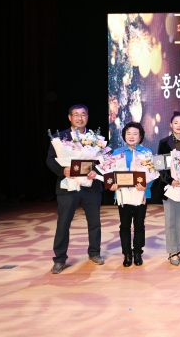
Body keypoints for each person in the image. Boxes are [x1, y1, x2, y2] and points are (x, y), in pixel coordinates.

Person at [46, 104, 104, 274]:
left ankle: (94, 253)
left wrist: (96, 171)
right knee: (63, 223)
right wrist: (62, 170)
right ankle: (59, 259)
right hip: (68, 186)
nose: (80, 118)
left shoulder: (96, 138)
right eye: (76, 115)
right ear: (69, 117)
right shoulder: (60, 138)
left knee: (94, 223)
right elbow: (50, 160)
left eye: (83, 114)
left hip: (91, 186)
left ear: (88, 117)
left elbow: (105, 160)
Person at [110, 122, 154, 267]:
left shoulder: (146, 152)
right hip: (123, 194)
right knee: (125, 225)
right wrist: (112, 183)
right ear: (124, 136)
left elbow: (152, 173)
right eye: (128, 133)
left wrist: (146, 186)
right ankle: (127, 254)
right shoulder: (117, 153)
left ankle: (137, 253)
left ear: (140, 136)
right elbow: (110, 172)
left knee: (139, 224)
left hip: (141, 194)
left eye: (135, 134)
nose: (131, 136)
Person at [157, 111, 180, 266]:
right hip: (170, 188)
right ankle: (172, 251)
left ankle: (179, 249)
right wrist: (170, 180)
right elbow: (160, 166)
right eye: (176, 123)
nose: (179, 126)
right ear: (171, 125)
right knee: (170, 220)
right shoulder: (163, 142)